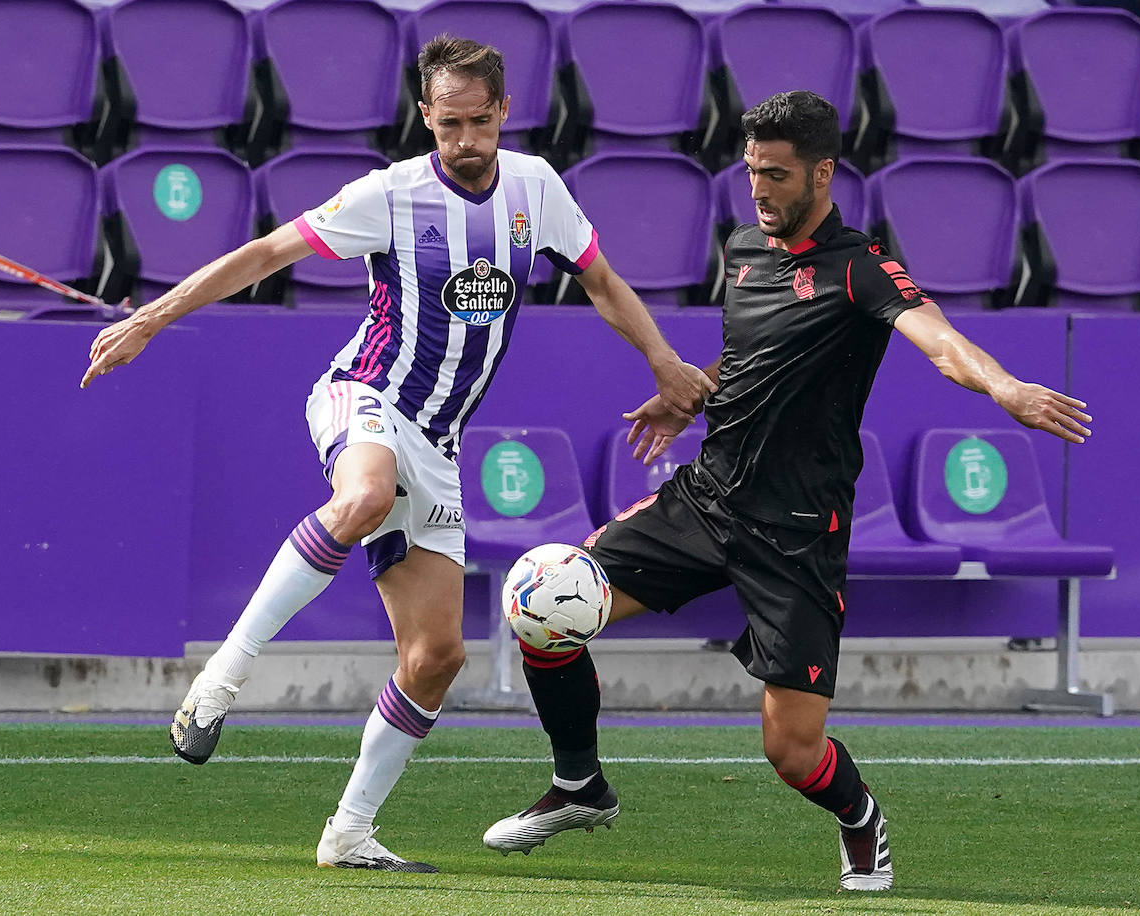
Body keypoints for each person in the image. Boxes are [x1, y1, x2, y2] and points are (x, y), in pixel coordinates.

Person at [80, 36, 713, 873]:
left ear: (504, 113)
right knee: (364, 496)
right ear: (426, 117)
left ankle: (347, 833)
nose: (465, 140)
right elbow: (268, 253)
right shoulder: (391, 194)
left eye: (479, 122)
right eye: (448, 124)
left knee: (437, 656)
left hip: (440, 443)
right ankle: (219, 682)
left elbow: (601, 279)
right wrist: (150, 320)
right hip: (366, 395)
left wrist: (664, 361)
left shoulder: (536, 189)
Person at [481, 91, 1095, 891]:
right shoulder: (742, 248)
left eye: (776, 174)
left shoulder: (861, 269)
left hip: (798, 530)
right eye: (750, 173)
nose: (760, 191)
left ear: (824, 173)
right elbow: (754, 360)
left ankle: (860, 818)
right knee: (545, 605)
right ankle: (579, 786)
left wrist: (1005, 386)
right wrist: (692, 387)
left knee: (791, 752)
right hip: (707, 499)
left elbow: (940, 342)